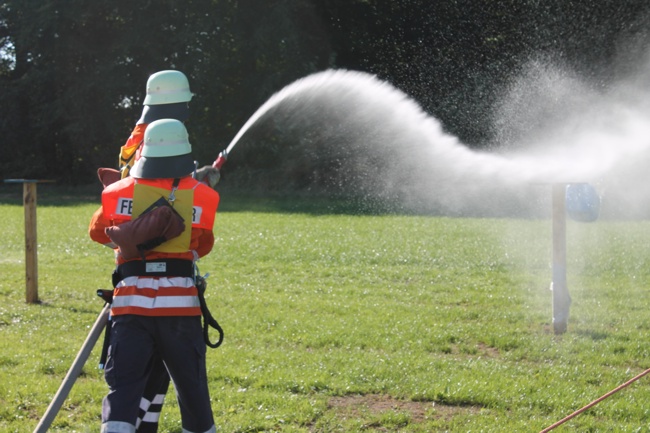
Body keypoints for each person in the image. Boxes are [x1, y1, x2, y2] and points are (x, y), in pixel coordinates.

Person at [105, 70, 220, 433]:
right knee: (177, 381)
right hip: (174, 293)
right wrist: (198, 186)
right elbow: (176, 198)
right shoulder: (158, 135)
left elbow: (130, 191)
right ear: (179, 103)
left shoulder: (136, 137)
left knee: (130, 379)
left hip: (132, 283)